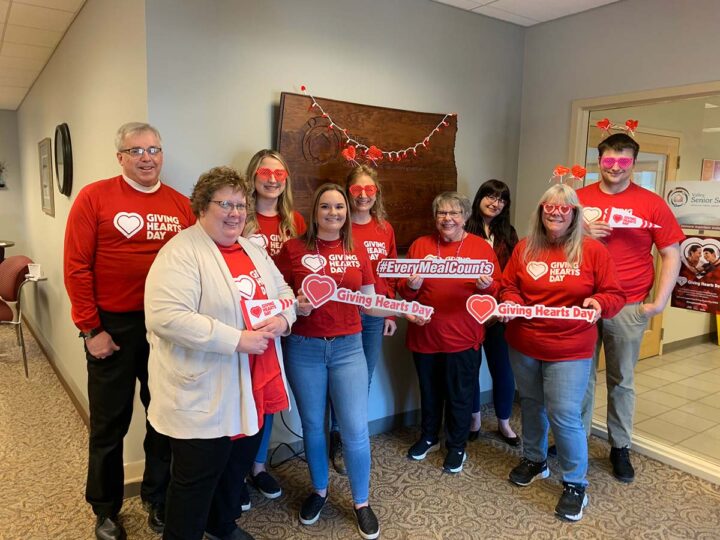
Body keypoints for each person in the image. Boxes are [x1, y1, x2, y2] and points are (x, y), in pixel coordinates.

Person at [145, 166, 296, 540]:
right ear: (202, 207)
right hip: (204, 390)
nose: (234, 213)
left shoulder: (252, 249)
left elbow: (285, 292)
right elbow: (166, 316)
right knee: (196, 478)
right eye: (224, 204)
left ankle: (222, 524)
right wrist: (235, 339)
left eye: (240, 205)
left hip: (252, 384)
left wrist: (283, 319)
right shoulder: (180, 252)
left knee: (235, 466)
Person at [64, 122, 194, 540]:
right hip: (112, 328)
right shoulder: (94, 198)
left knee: (164, 418)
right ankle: (104, 510)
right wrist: (91, 329)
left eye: (154, 149)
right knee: (109, 424)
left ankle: (157, 498)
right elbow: (76, 267)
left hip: (166, 327)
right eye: (136, 150)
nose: (146, 157)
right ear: (120, 157)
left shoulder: (180, 205)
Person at [276, 183, 418, 540]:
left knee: (354, 429)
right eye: (326, 207)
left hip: (348, 348)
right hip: (304, 348)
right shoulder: (293, 249)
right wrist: (295, 305)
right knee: (312, 425)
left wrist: (406, 310)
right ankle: (320, 491)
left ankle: (361, 502)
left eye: (339, 207)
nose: (334, 213)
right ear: (315, 211)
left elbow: (370, 304)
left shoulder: (357, 253)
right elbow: (274, 297)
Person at [501, 183, 625, 522]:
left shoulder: (593, 251)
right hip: (525, 342)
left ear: (574, 214)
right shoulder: (526, 248)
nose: (555, 213)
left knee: (564, 414)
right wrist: (510, 301)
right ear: (540, 211)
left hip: (571, 346)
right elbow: (508, 284)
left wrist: (599, 302)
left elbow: (615, 294)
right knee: (530, 403)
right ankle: (535, 460)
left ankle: (574, 483)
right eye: (549, 207)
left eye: (564, 208)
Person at [578, 133, 683, 483]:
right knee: (579, 377)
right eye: (609, 161)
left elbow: (672, 252)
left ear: (633, 164)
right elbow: (552, 241)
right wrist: (582, 231)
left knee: (621, 380)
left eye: (623, 161)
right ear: (599, 161)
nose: (616, 168)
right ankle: (575, 439)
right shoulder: (579, 199)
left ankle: (619, 446)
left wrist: (658, 302)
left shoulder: (651, 203)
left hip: (627, 305)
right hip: (581, 303)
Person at [397, 191, 501, 474]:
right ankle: (429, 436)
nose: (447, 219)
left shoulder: (481, 248)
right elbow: (404, 293)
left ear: (466, 216)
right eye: (442, 213)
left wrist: (485, 288)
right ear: (435, 217)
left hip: (463, 336)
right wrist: (413, 287)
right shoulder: (420, 245)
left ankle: (457, 445)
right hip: (425, 335)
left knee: (460, 394)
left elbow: (496, 289)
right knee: (429, 392)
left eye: (454, 213)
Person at [323, 165, 399, 476]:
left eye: (370, 190)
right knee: (332, 381)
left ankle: (348, 437)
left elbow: (391, 272)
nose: (364, 196)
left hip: (372, 315)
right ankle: (334, 437)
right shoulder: (338, 225)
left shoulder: (385, 228)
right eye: (357, 190)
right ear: (347, 192)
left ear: (376, 193)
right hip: (339, 314)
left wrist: (390, 310)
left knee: (361, 379)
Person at [241, 149, 306, 502]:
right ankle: (235, 471)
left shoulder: (296, 222)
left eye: (280, 175)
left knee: (267, 396)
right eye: (265, 172)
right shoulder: (238, 216)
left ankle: (259, 466)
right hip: (244, 325)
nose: (272, 180)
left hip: (283, 322)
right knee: (242, 394)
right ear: (253, 176)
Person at [465, 179, 520, 446]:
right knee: (470, 369)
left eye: (501, 199)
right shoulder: (464, 229)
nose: (495, 202)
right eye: (490, 195)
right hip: (468, 312)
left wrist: (504, 305)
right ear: (479, 198)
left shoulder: (509, 233)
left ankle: (504, 422)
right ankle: (474, 419)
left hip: (500, 313)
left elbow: (514, 273)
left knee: (503, 369)